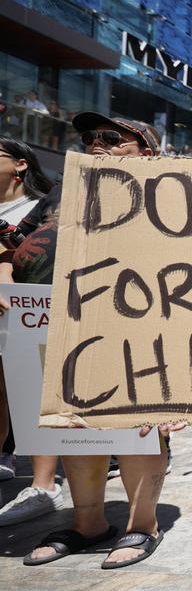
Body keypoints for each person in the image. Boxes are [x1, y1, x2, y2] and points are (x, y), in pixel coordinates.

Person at [19, 113, 179, 570]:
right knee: (75, 425)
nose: (97, 144)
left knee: (139, 428)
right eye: (90, 137)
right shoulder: (64, 190)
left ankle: (142, 523)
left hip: (143, 327)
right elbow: (14, 242)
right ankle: (87, 522)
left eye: (113, 138)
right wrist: (7, 274)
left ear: (146, 150)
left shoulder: (171, 188)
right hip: (63, 325)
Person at [0, 138, 57, 521]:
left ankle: (43, 484)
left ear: (21, 166)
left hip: (28, 312)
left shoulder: (41, 208)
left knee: (32, 389)